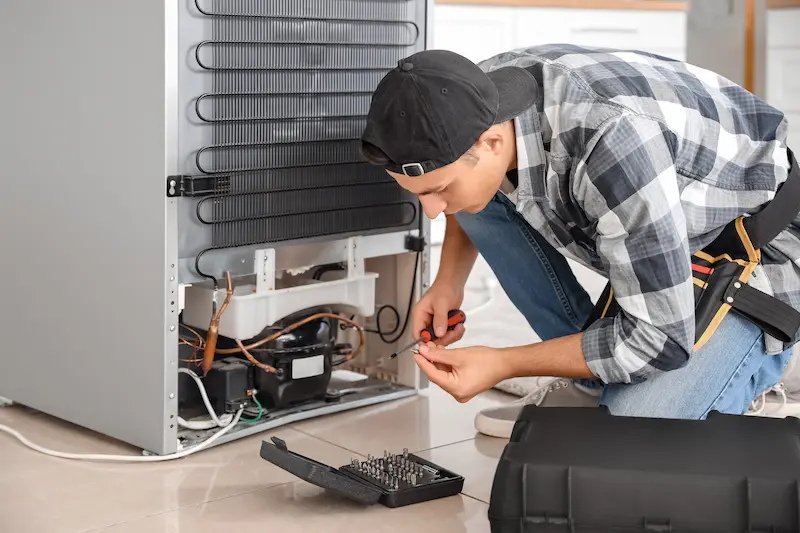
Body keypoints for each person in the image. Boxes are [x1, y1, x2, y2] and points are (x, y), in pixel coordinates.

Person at [360, 45, 800, 438]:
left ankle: (751, 365)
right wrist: (447, 282)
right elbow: (467, 184)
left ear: (491, 141)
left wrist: (505, 361)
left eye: (439, 190)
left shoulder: (614, 142)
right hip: (661, 219)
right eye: (420, 194)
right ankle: (594, 378)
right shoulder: (475, 94)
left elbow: (659, 340)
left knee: (629, 442)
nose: (432, 212)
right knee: (478, 195)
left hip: (755, 250)